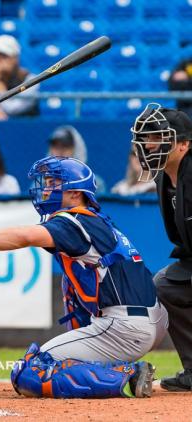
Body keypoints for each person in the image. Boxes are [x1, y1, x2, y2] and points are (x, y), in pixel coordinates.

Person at [0, 155, 167, 398]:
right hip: (151, 320)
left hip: (126, 327)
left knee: (31, 371)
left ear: (76, 193)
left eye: (54, 183)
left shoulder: (73, 220)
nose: (46, 189)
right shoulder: (92, 221)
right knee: (70, 282)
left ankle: (129, 375)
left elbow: (25, 236)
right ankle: (117, 369)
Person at [130, 104, 192, 391]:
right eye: (146, 139)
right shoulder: (164, 177)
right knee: (166, 284)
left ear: (183, 144)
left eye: (157, 138)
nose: (149, 145)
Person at [47, 125, 107, 193]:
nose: (60, 151)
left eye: (65, 146)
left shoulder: (94, 183)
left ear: (76, 149)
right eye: (56, 147)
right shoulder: (41, 182)